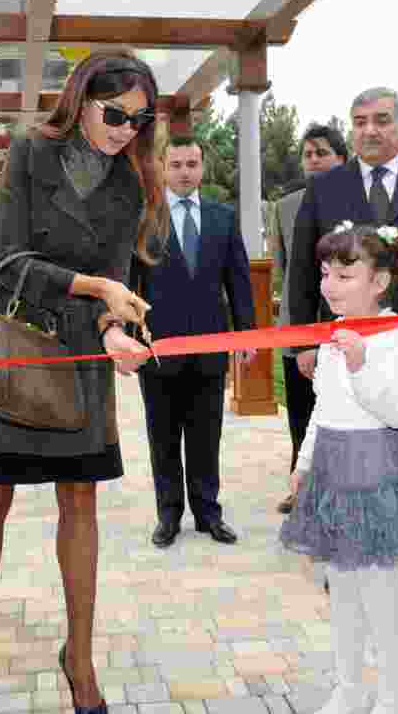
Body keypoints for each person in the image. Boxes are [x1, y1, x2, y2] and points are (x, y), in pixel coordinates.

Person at [0, 50, 163, 714]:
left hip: (82, 365)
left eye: (140, 119)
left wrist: (116, 331)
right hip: (17, 349)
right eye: (116, 113)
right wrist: (97, 286)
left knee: (81, 505)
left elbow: (116, 292)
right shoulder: (29, 154)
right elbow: (7, 264)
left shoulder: (131, 186)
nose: (127, 129)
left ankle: (81, 657)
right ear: (81, 99)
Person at [288, 87, 398, 602]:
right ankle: (347, 550)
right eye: (359, 121)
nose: (369, 130)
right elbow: (301, 270)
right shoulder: (326, 188)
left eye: (381, 120)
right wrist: (302, 341)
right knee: (350, 451)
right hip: (344, 347)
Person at [281, 223, 398, 714]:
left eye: (344, 275)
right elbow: (322, 405)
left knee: (379, 595)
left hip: (375, 471)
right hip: (333, 471)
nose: (330, 285)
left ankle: (394, 695)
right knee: (342, 592)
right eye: (326, 273)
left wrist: (359, 363)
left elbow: (397, 411)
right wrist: (306, 459)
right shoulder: (336, 332)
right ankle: (350, 688)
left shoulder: (397, 334)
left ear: (379, 282)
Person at [128, 136, 257, 549]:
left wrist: (246, 332)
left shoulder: (222, 216)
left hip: (209, 347)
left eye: (192, 163)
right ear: (163, 168)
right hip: (157, 349)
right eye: (177, 164)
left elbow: (237, 279)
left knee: (206, 433)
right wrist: (130, 339)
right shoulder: (143, 219)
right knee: (162, 434)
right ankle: (168, 515)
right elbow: (130, 284)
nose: (185, 171)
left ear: (203, 167)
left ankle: (208, 513)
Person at [271, 123, 348, 514]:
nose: (314, 160)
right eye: (308, 154)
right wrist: (293, 332)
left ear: (341, 157)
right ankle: (299, 488)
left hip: (349, 327)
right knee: (302, 414)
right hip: (302, 328)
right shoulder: (286, 207)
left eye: (323, 152)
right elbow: (287, 273)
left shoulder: (357, 198)